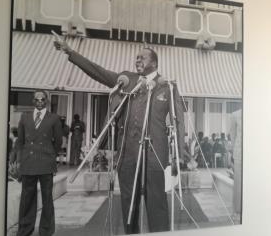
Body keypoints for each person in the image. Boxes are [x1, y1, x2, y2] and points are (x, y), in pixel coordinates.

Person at [54, 39, 185, 234]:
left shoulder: (167, 86)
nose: (138, 60)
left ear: (155, 63)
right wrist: (70, 52)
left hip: (155, 155)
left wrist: (178, 155)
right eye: (137, 57)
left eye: (143, 57)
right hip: (128, 153)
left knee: (157, 203)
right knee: (128, 204)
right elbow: (98, 72)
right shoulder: (128, 80)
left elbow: (178, 122)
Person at [16, 90, 62, 236]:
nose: (40, 102)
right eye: (37, 99)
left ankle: (46, 231)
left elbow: (58, 142)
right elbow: (20, 141)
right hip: (28, 163)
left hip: (46, 163)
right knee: (27, 198)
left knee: (47, 198)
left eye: (43, 99)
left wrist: (49, 155)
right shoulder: (25, 117)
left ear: (46, 101)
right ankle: (24, 230)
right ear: (33, 101)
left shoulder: (54, 118)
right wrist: (17, 160)